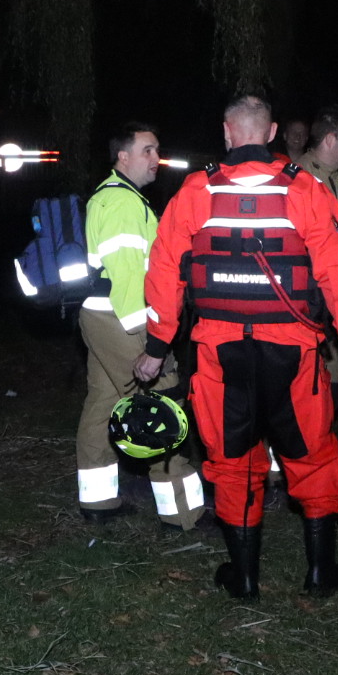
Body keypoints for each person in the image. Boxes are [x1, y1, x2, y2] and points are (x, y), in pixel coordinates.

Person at [134, 95, 338, 599]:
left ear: (226, 132)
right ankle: (319, 573)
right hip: (292, 354)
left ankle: (243, 579)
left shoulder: (195, 191)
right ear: (271, 133)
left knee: (232, 459)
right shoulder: (304, 190)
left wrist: (157, 345)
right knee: (312, 457)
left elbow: (162, 272)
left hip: (220, 354)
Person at [76, 122, 207, 529]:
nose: (156, 159)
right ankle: (183, 513)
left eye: (157, 150)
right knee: (161, 405)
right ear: (123, 156)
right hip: (122, 319)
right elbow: (131, 277)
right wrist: (153, 342)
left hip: (100, 316)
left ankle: (96, 502)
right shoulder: (122, 203)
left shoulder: (119, 197)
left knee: (102, 403)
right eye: (148, 151)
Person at [296, 105, 338, 408]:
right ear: (329, 140)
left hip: (333, 296)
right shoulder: (300, 179)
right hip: (307, 298)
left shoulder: (337, 181)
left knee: (332, 376)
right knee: (302, 382)